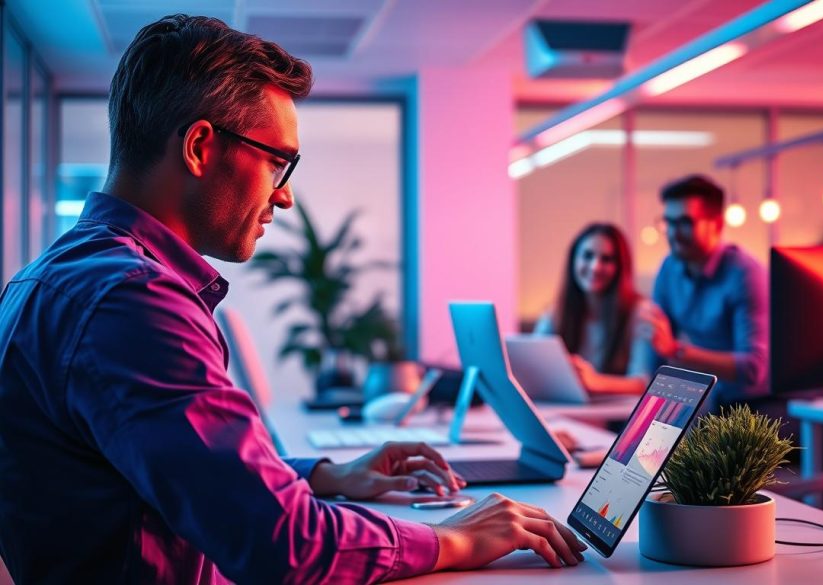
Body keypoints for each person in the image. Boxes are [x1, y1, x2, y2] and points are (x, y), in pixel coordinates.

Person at [0, 15, 584, 584]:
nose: (284, 197)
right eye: (278, 162)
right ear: (201, 146)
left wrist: (329, 476)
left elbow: (189, 471)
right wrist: (455, 539)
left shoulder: (50, 279)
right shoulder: (132, 300)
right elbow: (281, 543)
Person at [640, 175, 768, 412]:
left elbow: (753, 369)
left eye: (685, 223)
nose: (673, 234)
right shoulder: (669, 269)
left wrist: (677, 351)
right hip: (717, 402)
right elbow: (655, 360)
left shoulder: (746, 273)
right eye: (668, 222)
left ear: (717, 225)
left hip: (764, 407)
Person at [535, 223, 650, 395]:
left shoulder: (640, 313)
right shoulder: (555, 313)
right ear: (573, 260)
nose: (595, 266)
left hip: (618, 418)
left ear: (620, 267)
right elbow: (532, 364)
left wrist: (595, 381)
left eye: (606, 259)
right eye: (587, 256)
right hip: (569, 413)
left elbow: (644, 382)